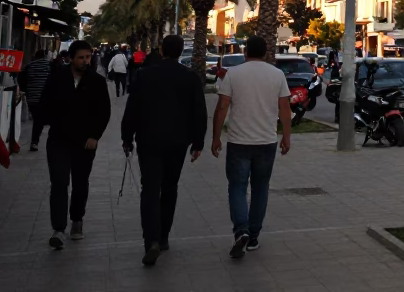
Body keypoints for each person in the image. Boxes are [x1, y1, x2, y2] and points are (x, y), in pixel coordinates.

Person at [122, 35, 207, 266]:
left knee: (149, 189)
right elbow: (199, 111)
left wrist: (126, 137)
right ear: (180, 52)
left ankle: (151, 241)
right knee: (169, 188)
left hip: (149, 141)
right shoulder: (190, 77)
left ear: (161, 50)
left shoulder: (145, 75)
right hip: (178, 143)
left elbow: (133, 108)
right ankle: (163, 237)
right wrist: (198, 143)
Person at [211, 36, 290, 260]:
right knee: (260, 188)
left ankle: (241, 230)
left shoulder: (233, 74)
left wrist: (216, 137)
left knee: (236, 187)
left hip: (238, 142)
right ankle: (253, 236)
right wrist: (286, 136)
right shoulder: (277, 75)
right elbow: (284, 108)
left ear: (245, 53)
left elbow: (221, 107)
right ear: (266, 53)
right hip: (266, 141)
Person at [41, 40, 111, 249]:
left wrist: (95, 136)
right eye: (81, 57)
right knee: (59, 183)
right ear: (71, 58)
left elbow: (104, 111)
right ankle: (59, 228)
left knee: (80, 183)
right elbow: (44, 103)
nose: (85, 61)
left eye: (88, 57)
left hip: (85, 142)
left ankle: (77, 219)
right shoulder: (57, 79)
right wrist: (49, 120)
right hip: (59, 140)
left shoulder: (96, 81)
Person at [18, 49, 54, 151]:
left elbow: (21, 80)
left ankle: (35, 142)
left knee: (38, 120)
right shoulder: (50, 66)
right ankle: (38, 142)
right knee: (45, 120)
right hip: (47, 99)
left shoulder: (29, 66)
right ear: (45, 56)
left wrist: (26, 90)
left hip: (32, 98)